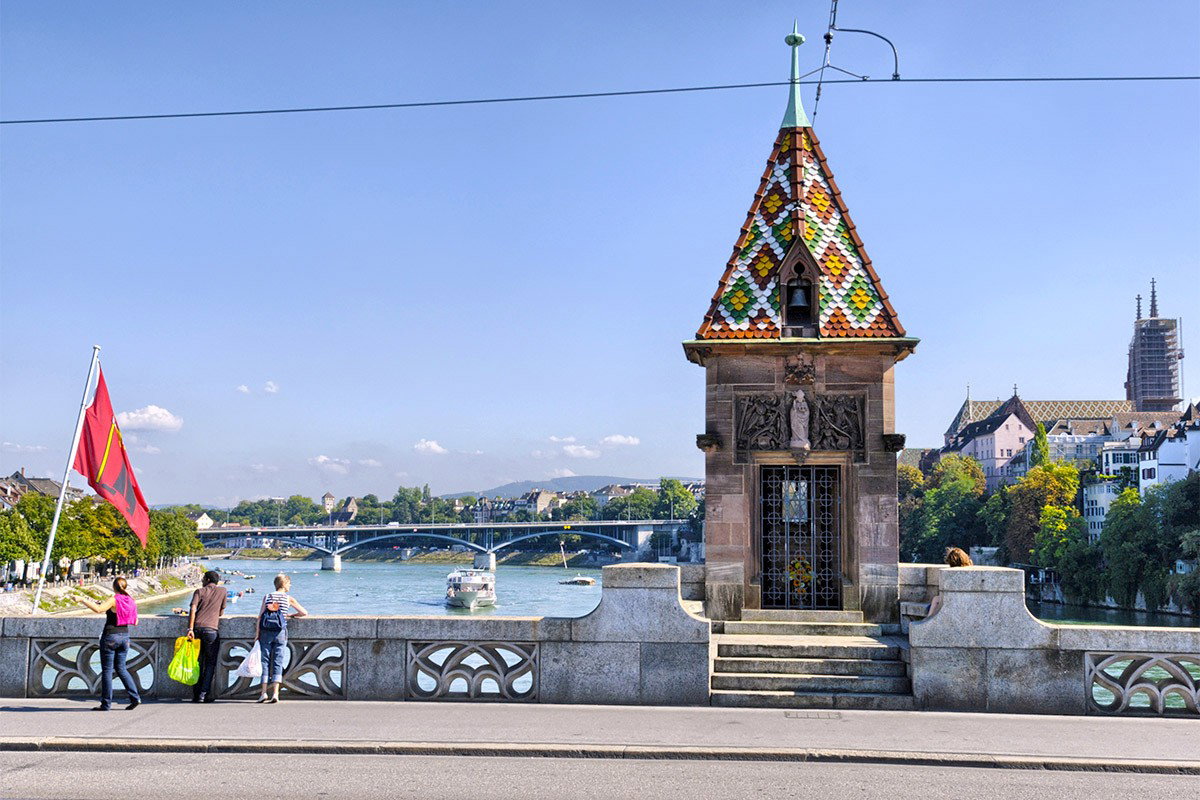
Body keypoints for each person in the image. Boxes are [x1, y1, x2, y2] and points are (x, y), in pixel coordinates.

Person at [80, 577, 141, 711]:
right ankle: (135, 697)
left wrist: (82, 599)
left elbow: (98, 609)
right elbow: (135, 621)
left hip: (110, 637)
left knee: (107, 671)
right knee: (121, 669)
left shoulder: (114, 599)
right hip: (125, 637)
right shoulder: (131, 601)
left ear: (114, 587)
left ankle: (106, 704)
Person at [254, 573, 307, 704]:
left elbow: (260, 617)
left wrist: (257, 634)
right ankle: (276, 693)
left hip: (265, 632)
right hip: (280, 632)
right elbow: (304, 613)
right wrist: (291, 615)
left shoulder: (267, 597)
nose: (290, 585)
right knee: (278, 661)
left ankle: (263, 693)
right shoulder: (288, 598)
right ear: (284, 584)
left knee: (264, 661)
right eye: (289, 583)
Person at [186, 570, 228, 704]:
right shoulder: (223, 591)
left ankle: (195, 693)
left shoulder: (199, 591)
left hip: (197, 629)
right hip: (211, 631)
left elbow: (193, 609)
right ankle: (203, 695)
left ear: (208, 580)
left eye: (203, 578)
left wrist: (190, 629)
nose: (202, 580)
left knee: (196, 662)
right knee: (210, 664)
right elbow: (221, 612)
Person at [927, 547, 976, 617]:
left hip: (957, 602)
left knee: (935, 600)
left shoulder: (954, 574)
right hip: (967, 600)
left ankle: (927, 621)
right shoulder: (971, 568)